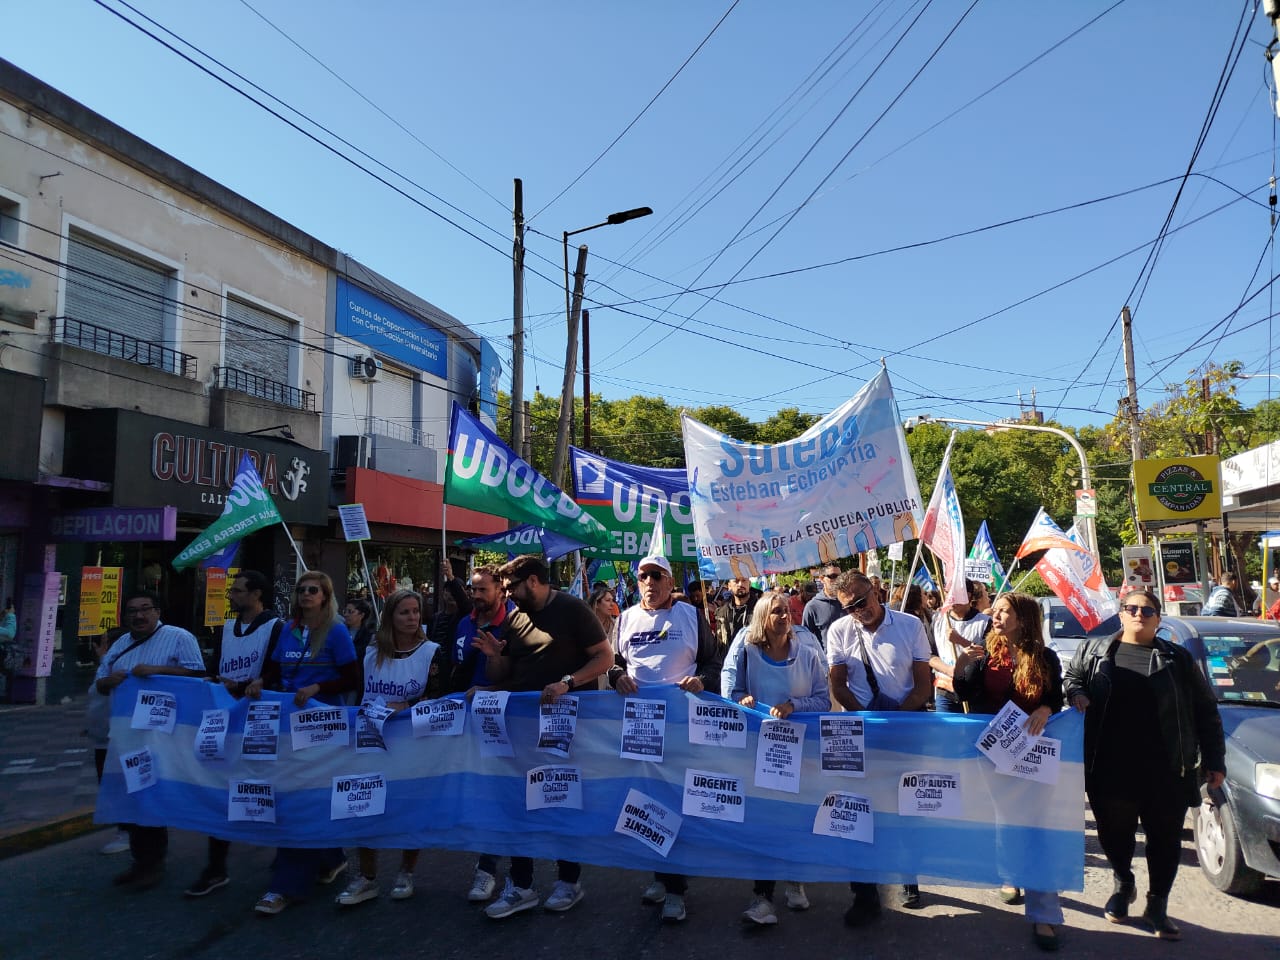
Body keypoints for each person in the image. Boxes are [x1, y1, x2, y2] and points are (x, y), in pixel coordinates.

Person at [1064, 588, 1226, 941]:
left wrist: (1215, 759)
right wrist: (1076, 692)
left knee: (1164, 840)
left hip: (1167, 767)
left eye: (1147, 610)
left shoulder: (1178, 659)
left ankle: (1157, 905)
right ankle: (1123, 883)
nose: (1139, 614)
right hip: (1110, 766)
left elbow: (1205, 710)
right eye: (1132, 608)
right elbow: (1073, 677)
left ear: (1158, 618)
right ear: (1121, 614)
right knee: (1114, 835)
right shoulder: (1093, 651)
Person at [474, 555, 613, 919]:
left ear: (533, 581)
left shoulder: (573, 610)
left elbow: (605, 658)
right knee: (520, 801)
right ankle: (521, 886)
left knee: (560, 798)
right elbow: (508, 672)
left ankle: (569, 881)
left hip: (564, 727)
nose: (507, 594)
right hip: (522, 728)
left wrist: (568, 683)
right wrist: (493, 658)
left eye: (512, 587)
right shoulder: (515, 617)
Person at [608, 553, 720, 923]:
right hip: (640, 726)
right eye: (643, 577)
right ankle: (661, 874)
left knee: (676, 800)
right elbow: (612, 663)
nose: (649, 583)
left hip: (682, 725)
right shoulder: (626, 618)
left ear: (670, 581)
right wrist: (616, 677)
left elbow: (713, 662)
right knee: (645, 799)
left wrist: (701, 681)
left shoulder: (690, 616)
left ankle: (675, 887)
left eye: (657, 576)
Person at [952, 593, 1065, 951]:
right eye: (995, 610)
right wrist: (960, 665)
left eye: (1003, 611)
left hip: (1032, 754)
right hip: (993, 754)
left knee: (1038, 829)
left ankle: (1044, 913)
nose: (995, 615)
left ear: (1023, 619)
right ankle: (1011, 874)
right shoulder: (987, 653)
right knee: (1005, 820)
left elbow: (1056, 697)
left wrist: (1045, 710)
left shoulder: (1045, 658)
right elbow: (962, 691)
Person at [247, 570, 360, 916]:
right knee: (300, 795)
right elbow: (275, 668)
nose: (306, 594)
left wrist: (317, 688)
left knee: (300, 798)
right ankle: (330, 856)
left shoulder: (336, 631)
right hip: (286, 724)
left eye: (314, 590)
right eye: (301, 589)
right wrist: (260, 681)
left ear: (325, 596)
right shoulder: (288, 629)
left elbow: (353, 678)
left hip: (321, 727)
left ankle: (286, 884)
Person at [825, 570, 932, 923]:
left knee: (905, 808)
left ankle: (908, 876)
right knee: (857, 812)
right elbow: (838, 687)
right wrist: (866, 720)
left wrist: (895, 721)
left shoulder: (910, 626)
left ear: (876, 591)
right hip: (859, 733)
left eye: (862, 601)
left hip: (905, 730)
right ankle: (865, 895)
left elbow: (923, 686)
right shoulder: (839, 631)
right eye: (850, 607)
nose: (859, 611)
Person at [722, 592, 829, 925]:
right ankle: (762, 897)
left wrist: (794, 706)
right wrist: (743, 699)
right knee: (765, 821)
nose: (784, 616)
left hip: (800, 750)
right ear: (762, 618)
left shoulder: (807, 654)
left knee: (796, 816)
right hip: (760, 751)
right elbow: (731, 692)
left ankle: (795, 881)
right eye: (776, 612)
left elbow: (823, 700)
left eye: (787, 611)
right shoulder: (748, 652)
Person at [337, 588, 443, 907]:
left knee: (409, 806)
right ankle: (367, 876)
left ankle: (406, 872)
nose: (412, 618)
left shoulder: (432, 652)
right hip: (371, 737)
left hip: (412, 740)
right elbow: (359, 690)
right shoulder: (371, 651)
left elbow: (440, 694)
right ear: (390, 617)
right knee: (365, 803)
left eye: (416, 611)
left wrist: (406, 705)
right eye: (404, 612)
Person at [94, 590, 206, 889]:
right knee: (133, 797)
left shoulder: (179, 637)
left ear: (157, 611)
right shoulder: (120, 644)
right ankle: (140, 860)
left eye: (145, 609)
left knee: (150, 795)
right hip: (124, 735)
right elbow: (100, 683)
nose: (139, 615)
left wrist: (158, 670)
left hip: (162, 736)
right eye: (133, 611)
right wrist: (109, 681)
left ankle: (152, 863)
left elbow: (197, 675)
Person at [185, 571, 284, 897]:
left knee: (268, 787)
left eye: (238, 591)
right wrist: (214, 682)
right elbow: (215, 669)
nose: (231, 596)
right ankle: (216, 867)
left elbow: (277, 673)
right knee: (221, 788)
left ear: (256, 595)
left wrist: (244, 685)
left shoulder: (276, 628)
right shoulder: (226, 629)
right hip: (225, 719)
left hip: (260, 721)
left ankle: (294, 853)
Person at [452, 566, 520, 903]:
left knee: (499, 793)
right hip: (467, 721)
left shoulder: (516, 625)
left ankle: (490, 870)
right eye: (473, 589)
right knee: (477, 791)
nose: (476, 595)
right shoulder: (464, 623)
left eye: (483, 589)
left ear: (501, 591)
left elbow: (523, 676)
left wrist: (489, 689)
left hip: (504, 721)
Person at [929, 580, 991, 714]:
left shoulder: (985, 622)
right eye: (947, 594)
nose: (950, 599)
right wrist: (950, 670)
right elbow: (930, 655)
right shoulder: (938, 620)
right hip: (945, 691)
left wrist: (961, 641)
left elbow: (987, 655)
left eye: (954, 594)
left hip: (974, 693)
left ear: (968, 595)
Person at [802, 566, 845, 648]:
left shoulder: (849, 600)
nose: (838, 580)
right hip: (826, 655)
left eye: (840, 576)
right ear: (822, 579)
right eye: (833, 576)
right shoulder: (812, 606)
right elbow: (806, 639)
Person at [715, 575, 758, 653]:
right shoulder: (721, 612)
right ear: (729, 585)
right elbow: (719, 643)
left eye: (744, 580)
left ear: (749, 584)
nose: (740, 584)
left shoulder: (761, 610)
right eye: (736, 581)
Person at [342, 597, 377, 663]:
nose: (346, 615)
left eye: (350, 612)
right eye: (345, 611)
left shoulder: (369, 636)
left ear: (361, 615)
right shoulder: (340, 631)